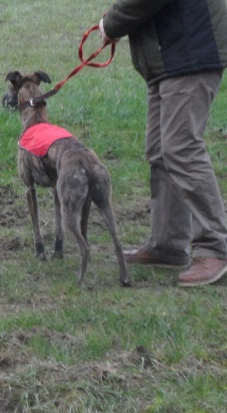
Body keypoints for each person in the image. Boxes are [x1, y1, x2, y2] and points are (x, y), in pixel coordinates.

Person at [100, 0, 227, 287]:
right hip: (168, 55)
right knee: (160, 150)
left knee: (181, 148)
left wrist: (112, 23)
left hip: (189, 50)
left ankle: (215, 248)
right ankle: (168, 245)